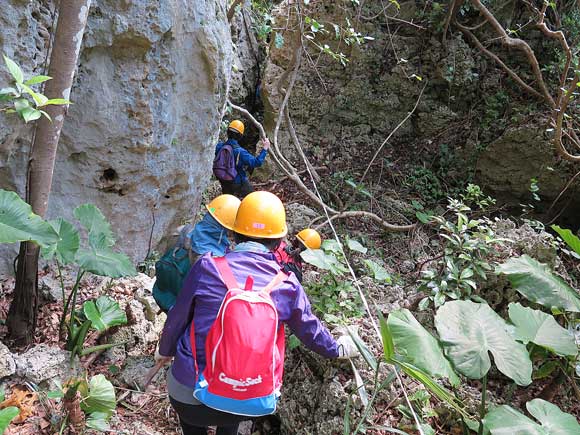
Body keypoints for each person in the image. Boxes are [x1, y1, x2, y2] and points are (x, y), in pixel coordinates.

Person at [155, 191, 357, 435]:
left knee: (192, 418)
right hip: (248, 397)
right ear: (279, 239)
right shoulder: (287, 284)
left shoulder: (207, 267)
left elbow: (178, 316)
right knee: (230, 411)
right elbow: (309, 330)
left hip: (189, 392)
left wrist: (164, 351)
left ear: (234, 232)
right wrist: (337, 349)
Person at [152, 194, 240, 312]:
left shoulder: (183, 231)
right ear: (228, 227)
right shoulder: (214, 259)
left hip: (163, 293)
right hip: (183, 311)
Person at [214, 119, 270, 198]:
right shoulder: (240, 152)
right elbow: (257, 162)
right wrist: (265, 149)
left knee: (228, 202)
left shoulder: (219, 147)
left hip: (223, 181)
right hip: (238, 182)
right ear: (240, 136)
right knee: (252, 199)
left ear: (228, 132)